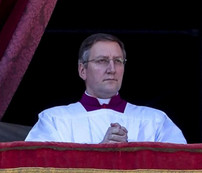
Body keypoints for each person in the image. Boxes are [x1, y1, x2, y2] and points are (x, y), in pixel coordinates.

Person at [25, 33, 187, 144]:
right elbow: (38, 171)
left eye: (118, 61)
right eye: (102, 60)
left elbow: (179, 168)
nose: (112, 69)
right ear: (82, 70)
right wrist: (99, 152)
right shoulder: (54, 120)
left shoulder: (156, 120)